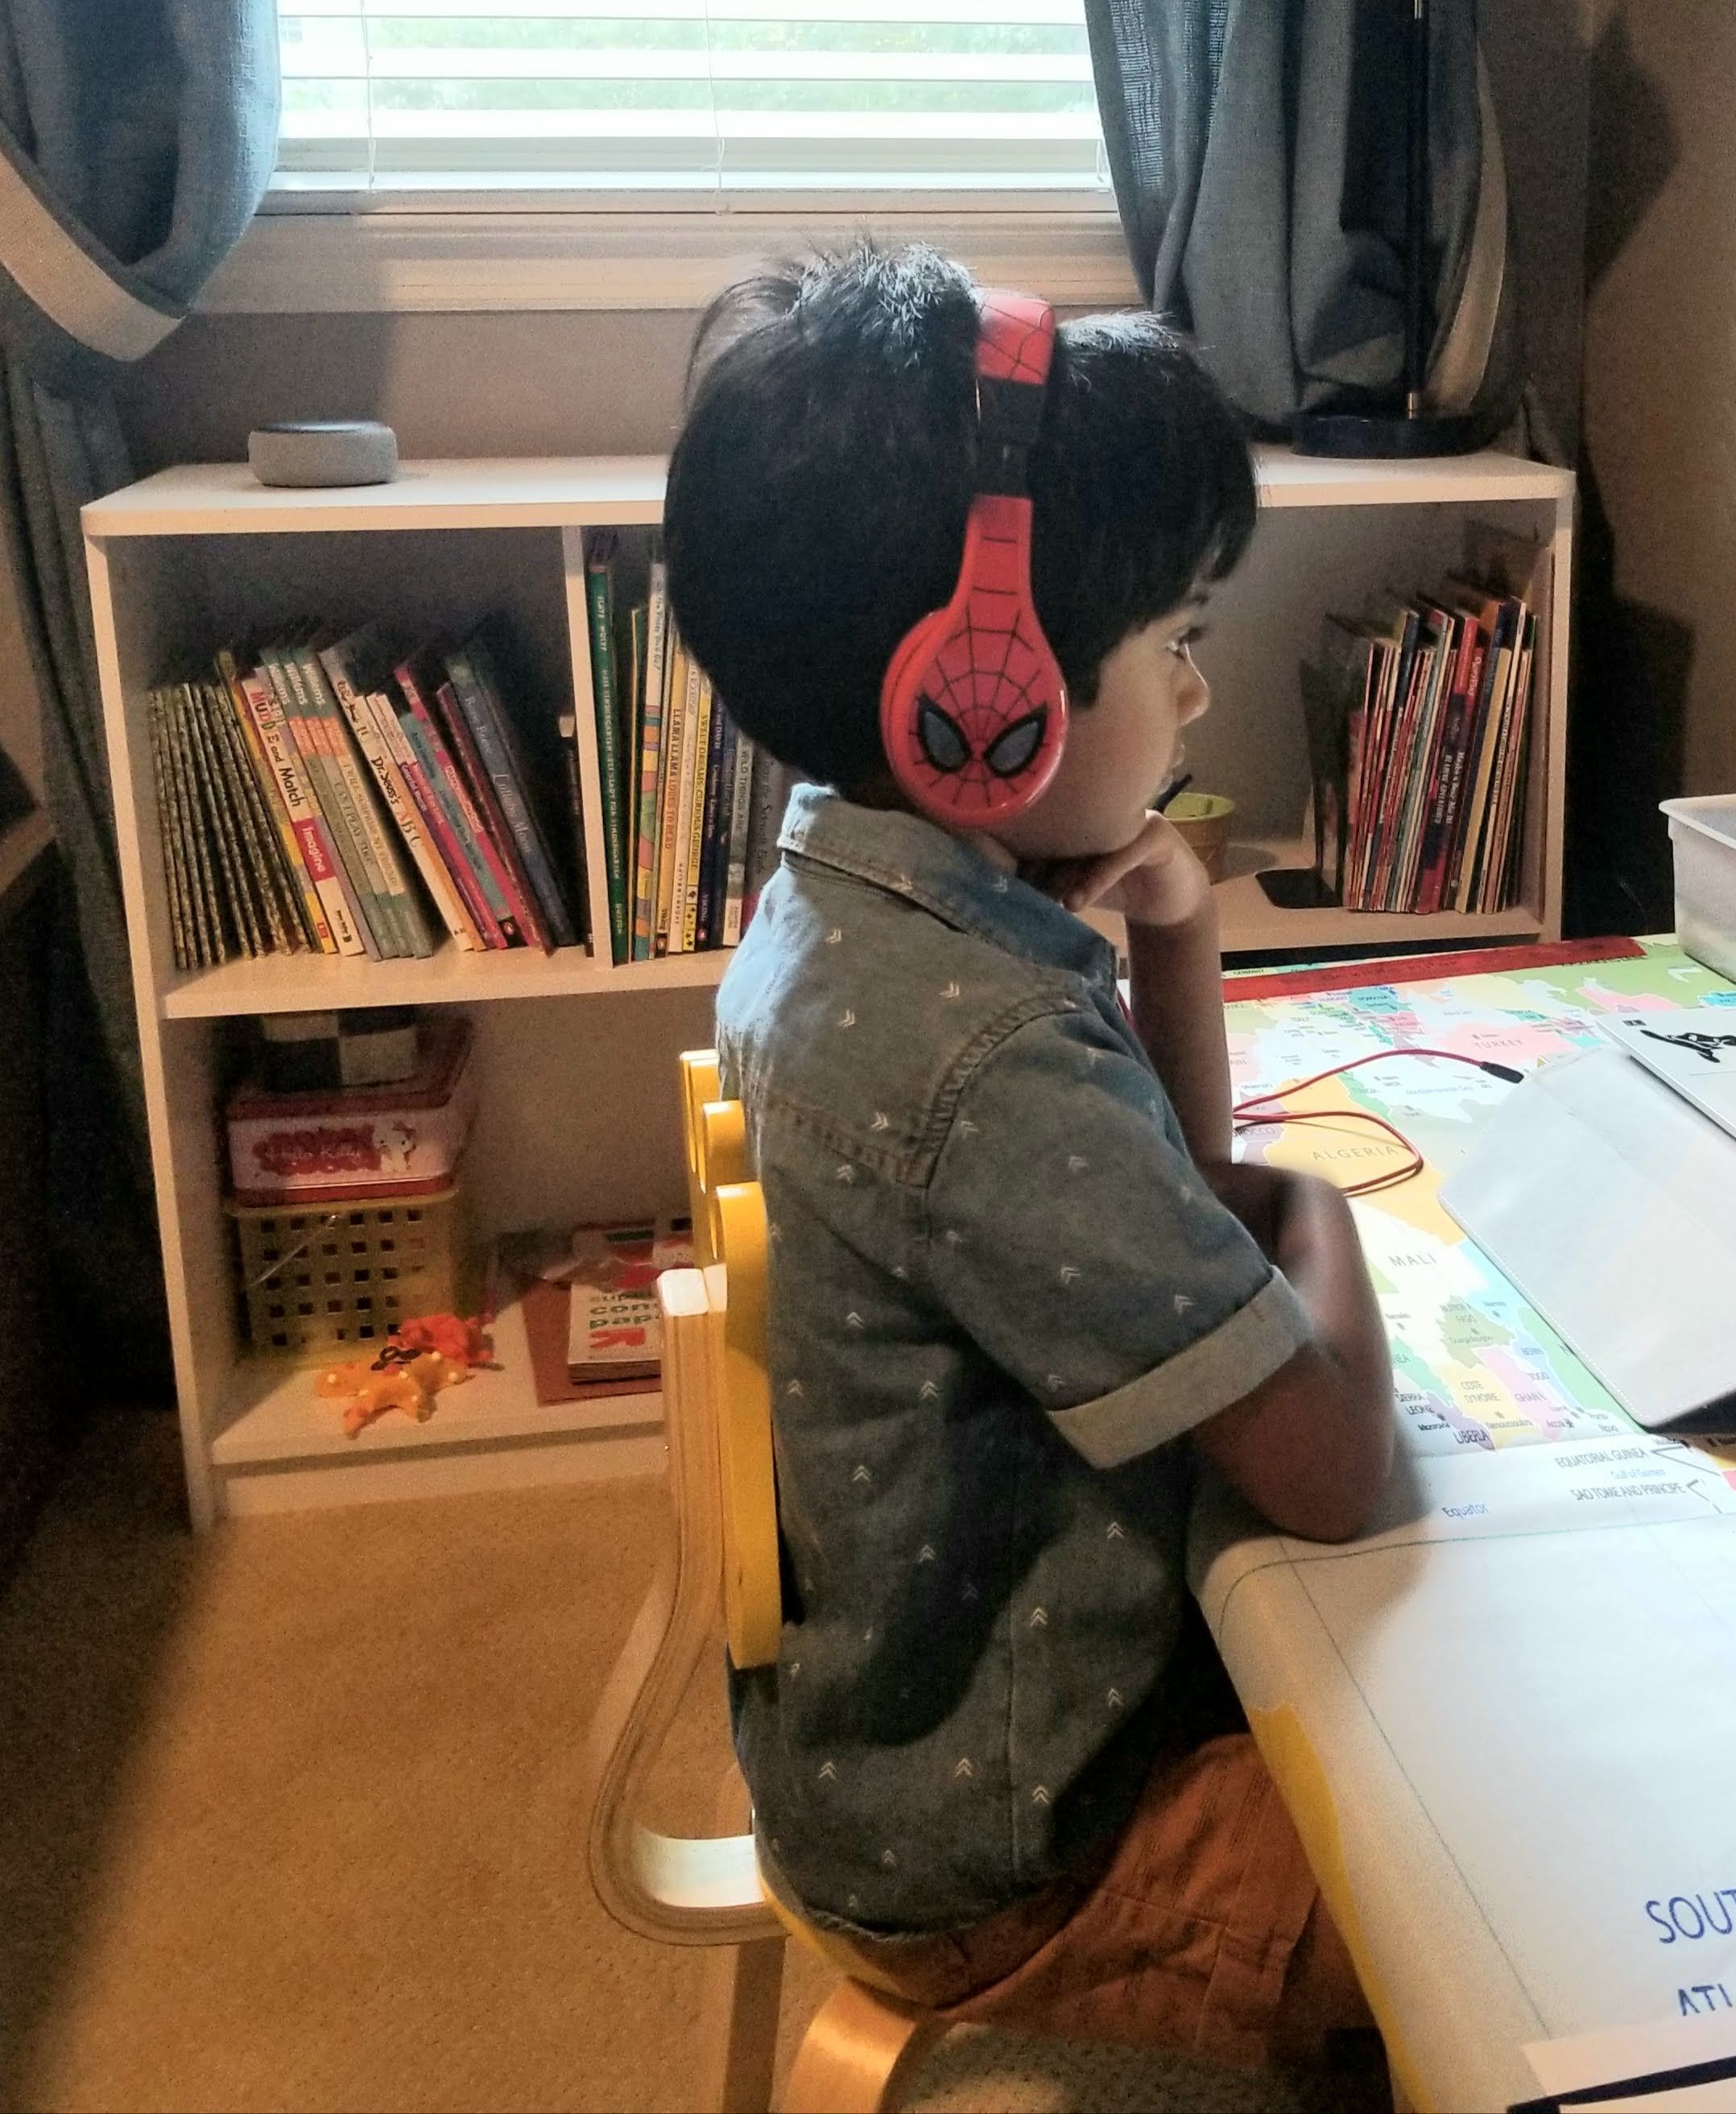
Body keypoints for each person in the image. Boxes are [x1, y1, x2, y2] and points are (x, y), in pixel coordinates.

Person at [668, 242, 1395, 2070]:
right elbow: (1326, 1467)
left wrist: (1173, 921)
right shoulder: (976, 1055)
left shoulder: (854, 875)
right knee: (1481, 1882)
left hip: (888, 1750)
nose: (1200, 697)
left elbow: (1158, 1185)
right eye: (1179, 645)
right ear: (979, 704)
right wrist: (1310, 1206)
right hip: (1020, 1850)